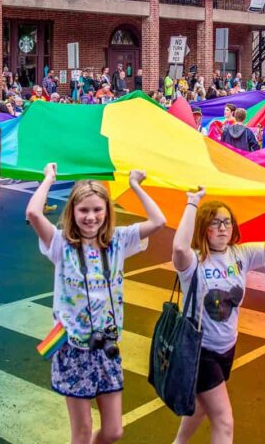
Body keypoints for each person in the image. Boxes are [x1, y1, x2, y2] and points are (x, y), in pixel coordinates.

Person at [26, 164, 165, 444]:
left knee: (114, 431)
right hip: (73, 349)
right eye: (84, 210)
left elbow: (159, 221)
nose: (91, 217)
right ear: (72, 213)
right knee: (81, 431)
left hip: (106, 347)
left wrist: (136, 185)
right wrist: (48, 179)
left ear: (107, 212)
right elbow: (33, 213)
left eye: (97, 210)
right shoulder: (60, 243)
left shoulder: (119, 241)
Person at [172, 186, 265, 444]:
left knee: (203, 406)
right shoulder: (193, 261)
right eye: (215, 223)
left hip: (226, 348)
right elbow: (179, 247)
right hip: (200, 351)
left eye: (227, 222)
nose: (222, 228)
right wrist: (192, 204)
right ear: (203, 227)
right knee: (224, 421)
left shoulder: (241, 254)